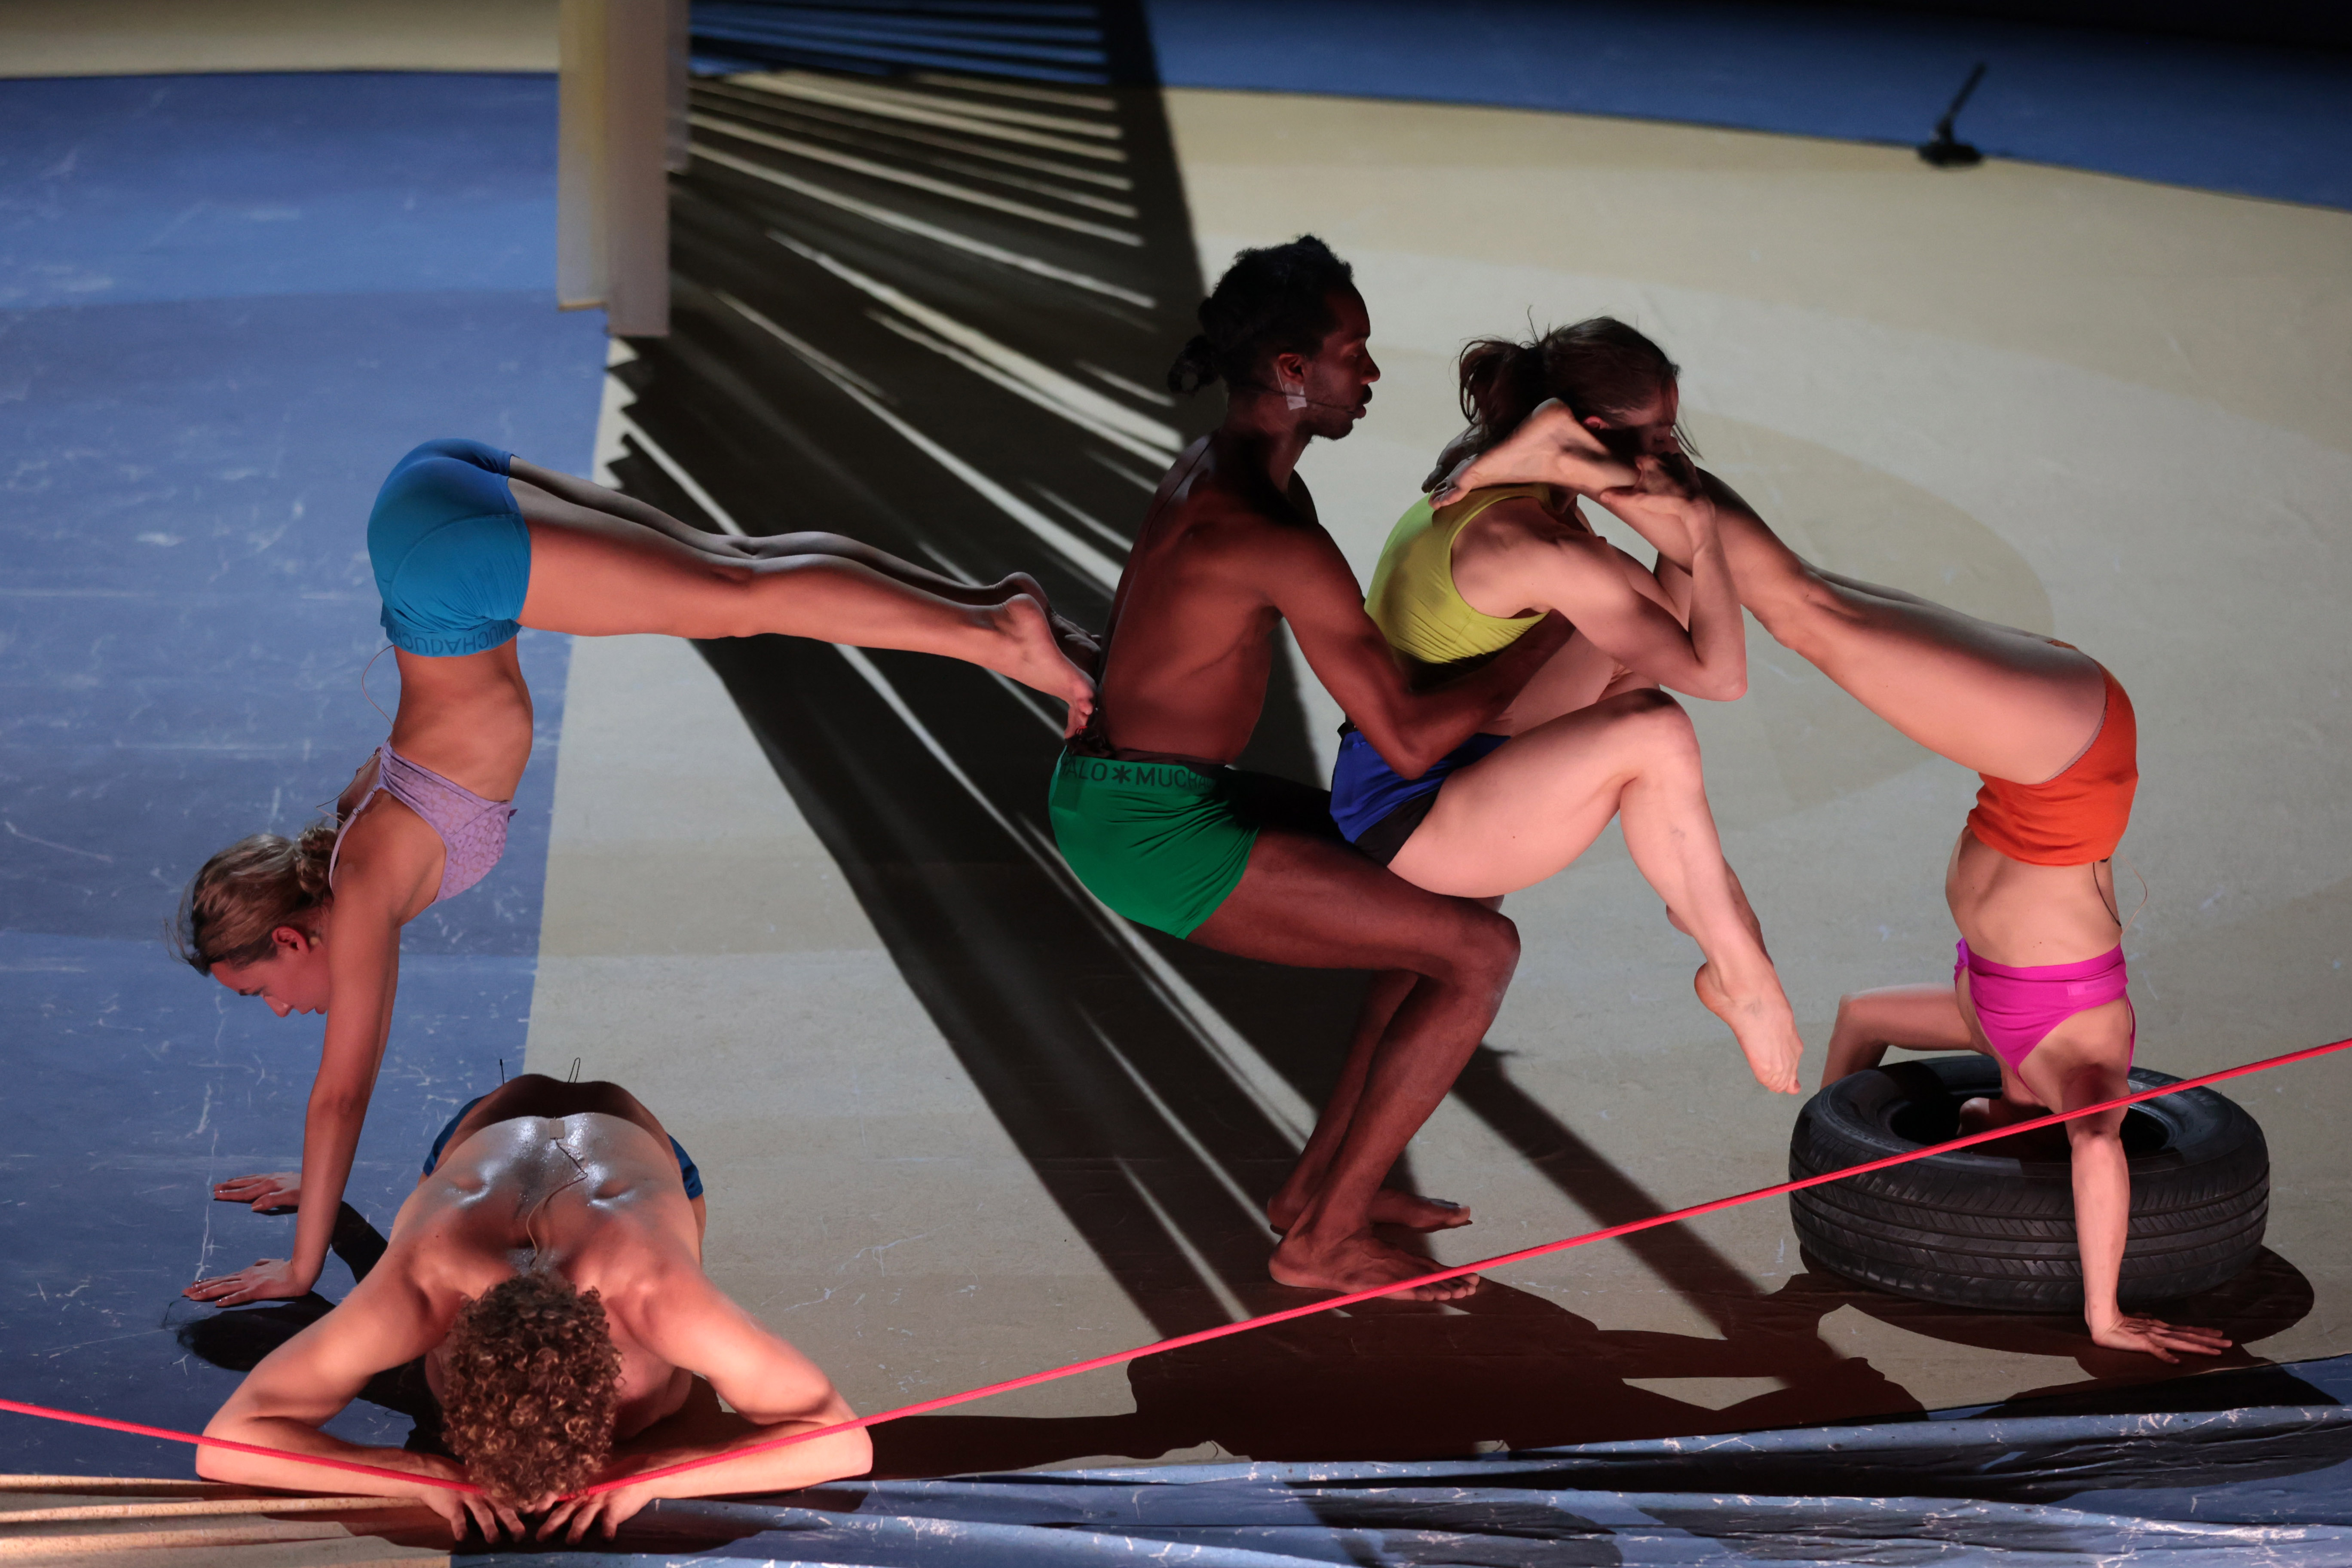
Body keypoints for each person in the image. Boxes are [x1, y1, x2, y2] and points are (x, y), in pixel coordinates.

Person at [1437, 327, 2229, 1362]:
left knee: (1798, 595)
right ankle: (1566, 453)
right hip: (2067, 757)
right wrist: (2105, 1315)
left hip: (2032, 746)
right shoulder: (2083, 1074)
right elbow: (2096, 1154)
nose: (1968, 1127)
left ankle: (1596, 448)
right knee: (1804, 614)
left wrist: (1836, 1152)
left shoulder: (1986, 1028)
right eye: (1992, 1144)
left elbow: (1862, 1021)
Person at [177, 444, 1095, 1306]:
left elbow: (341, 1093)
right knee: (734, 566)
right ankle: (995, 607)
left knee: (739, 596)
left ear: (291, 937)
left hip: (451, 563)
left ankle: (998, 637)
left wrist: (303, 1269)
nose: (282, 1011)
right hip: (431, 509)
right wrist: (317, 1185)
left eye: (260, 990)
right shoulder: (349, 841)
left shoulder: (365, 887)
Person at [1050, 236, 1628, 1301]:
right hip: (1151, 829)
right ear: (1291, 370)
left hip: (1135, 790)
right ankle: (1319, 1245)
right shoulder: (1271, 529)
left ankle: (1319, 1188)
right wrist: (1560, 624)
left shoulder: (1219, 469)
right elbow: (1407, 740)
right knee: (1479, 953)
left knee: (1442, 892)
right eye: (1353, 353)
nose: (1370, 374)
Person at [1332, 319, 1803, 1094]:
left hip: (1456, 752)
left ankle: (1703, 896)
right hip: (1413, 818)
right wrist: (1702, 533)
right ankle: (1738, 972)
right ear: (1587, 433)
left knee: (1637, 670)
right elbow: (1721, 678)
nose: (1671, 454)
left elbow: (1667, 630)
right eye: (1657, 436)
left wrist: (1661, 511)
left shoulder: (1512, 481)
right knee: (1656, 731)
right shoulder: (1542, 548)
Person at [198, 1074, 871, 1543]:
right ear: (450, 1342)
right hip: (476, 1149)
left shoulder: (662, 1295)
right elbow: (227, 1443)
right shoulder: (421, 1285)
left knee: (654, 1403)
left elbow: (843, 1441)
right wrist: (414, 1471)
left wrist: (654, 1470)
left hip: (633, 1156)